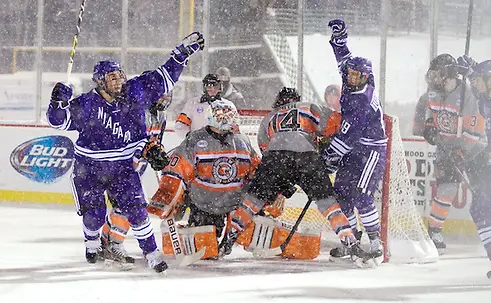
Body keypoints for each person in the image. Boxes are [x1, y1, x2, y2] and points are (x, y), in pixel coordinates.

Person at [46, 32, 204, 273]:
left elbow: (165, 77)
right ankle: (91, 242)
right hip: (88, 168)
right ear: (100, 82)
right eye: (112, 78)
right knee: (95, 216)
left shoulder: (135, 91)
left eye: (120, 75)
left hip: (122, 167)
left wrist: (180, 54)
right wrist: (57, 102)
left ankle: (152, 254)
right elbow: (58, 122)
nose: (118, 81)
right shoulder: (87, 104)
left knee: (138, 212)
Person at [225, 86, 370, 262]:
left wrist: (281, 179)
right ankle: (350, 242)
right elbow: (336, 124)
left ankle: (230, 237)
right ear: (297, 99)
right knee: (328, 204)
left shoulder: (270, 117)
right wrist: (323, 144)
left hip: (276, 158)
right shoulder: (308, 107)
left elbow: (265, 148)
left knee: (253, 200)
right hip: (306, 157)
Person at [147, 99, 261, 259]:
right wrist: (167, 199)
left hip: (233, 206)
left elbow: (257, 173)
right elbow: (176, 171)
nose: (225, 119)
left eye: (229, 114)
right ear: (212, 116)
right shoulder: (195, 139)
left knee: (255, 219)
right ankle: (197, 231)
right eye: (221, 115)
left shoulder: (242, 141)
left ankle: (239, 234)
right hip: (203, 204)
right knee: (206, 249)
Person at [320, 19, 387, 264]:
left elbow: (346, 139)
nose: (351, 78)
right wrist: (340, 40)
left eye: (357, 75)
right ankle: (351, 242)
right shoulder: (352, 77)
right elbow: (343, 60)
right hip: (355, 148)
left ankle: (375, 244)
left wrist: (327, 159)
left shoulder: (362, 100)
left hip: (370, 150)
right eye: (350, 74)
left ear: (366, 77)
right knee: (342, 194)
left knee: (361, 195)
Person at [421, 54, 487, 253]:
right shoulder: (433, 92)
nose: (433, 79)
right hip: (446, 148)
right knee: (446, 190)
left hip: (475, 150)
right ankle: (434, 231)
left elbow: (476, 128)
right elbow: (430, 111)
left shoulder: (468, 95)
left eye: (438, 74)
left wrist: (462, 152)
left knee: (482, 193)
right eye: (432, 74)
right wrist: (429, 125)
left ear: (449, 74)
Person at [100, 93, 172, 265]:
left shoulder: (161, 115)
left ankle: (105, 242)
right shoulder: (135, 112)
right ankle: (115, 245)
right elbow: (125, 141)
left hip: (137, 167)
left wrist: (157, 153)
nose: (164, 99)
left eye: (166, 96)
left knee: (122, 205)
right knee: (127, 206)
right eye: (160, 95)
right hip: (119, 165)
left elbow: (156, 140)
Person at [454, 57, 491, 269]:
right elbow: (478, 90)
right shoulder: (484, 98)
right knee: (479, 208)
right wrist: (470, 73)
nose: (475, 84)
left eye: (479, 79)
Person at [175, 73, 228, 139]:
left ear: (220, 88)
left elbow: (234, 126)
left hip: (220, 146)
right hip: (197, 145)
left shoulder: (227, 105)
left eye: (216, 87)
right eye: (209, 87)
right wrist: (188, 136)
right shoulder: (193, 104)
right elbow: (181, 124)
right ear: (204, 88)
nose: (213, 90)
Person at [412, 54, 450, 136]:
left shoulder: (459, 97)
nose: (436, 79)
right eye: (433, 75)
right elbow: (418, 129)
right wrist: (422, 131)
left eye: (439, 75)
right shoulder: (426, 98)